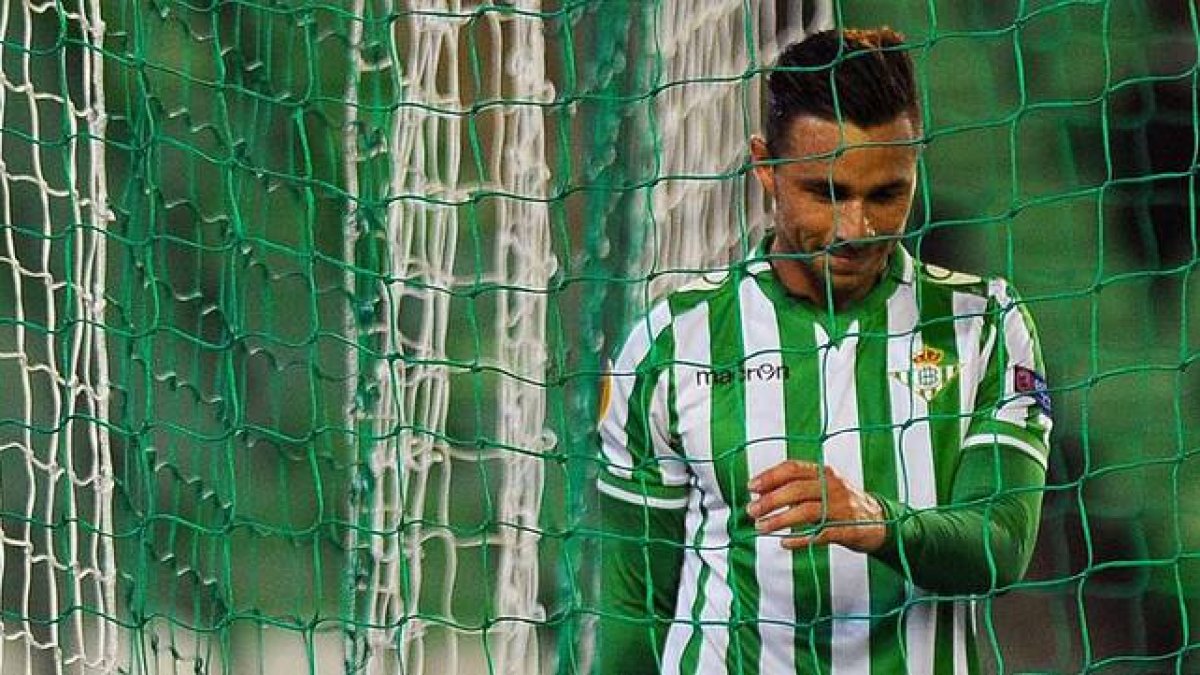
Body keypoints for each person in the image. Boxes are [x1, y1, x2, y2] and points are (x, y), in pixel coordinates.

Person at [593, 27, 1053, 675]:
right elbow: (633, 602)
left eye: (885, 193)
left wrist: (879, 523)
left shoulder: (983, 323)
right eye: (825, 192)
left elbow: (1002, 541)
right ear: (766, 169)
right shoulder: (672, 342)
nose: (854, 229)